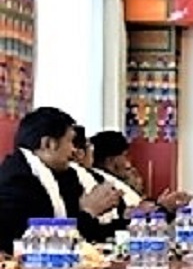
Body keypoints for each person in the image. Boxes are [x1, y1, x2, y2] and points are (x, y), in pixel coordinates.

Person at [0, 107, 122, 253]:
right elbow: (38, 244)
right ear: (48, 144)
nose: (74, 150)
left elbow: (89, 233)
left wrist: (128, 224)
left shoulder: (63, 176)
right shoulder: (16, 181)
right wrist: (89, 211)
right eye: (70, 141)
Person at [91, 130, 193, 216]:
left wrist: (161, 205)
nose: (128, 164)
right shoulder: (104, 186)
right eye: (125, 156)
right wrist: (163, 207)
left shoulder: (115, 181)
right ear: (110, 161)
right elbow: (131, 218)